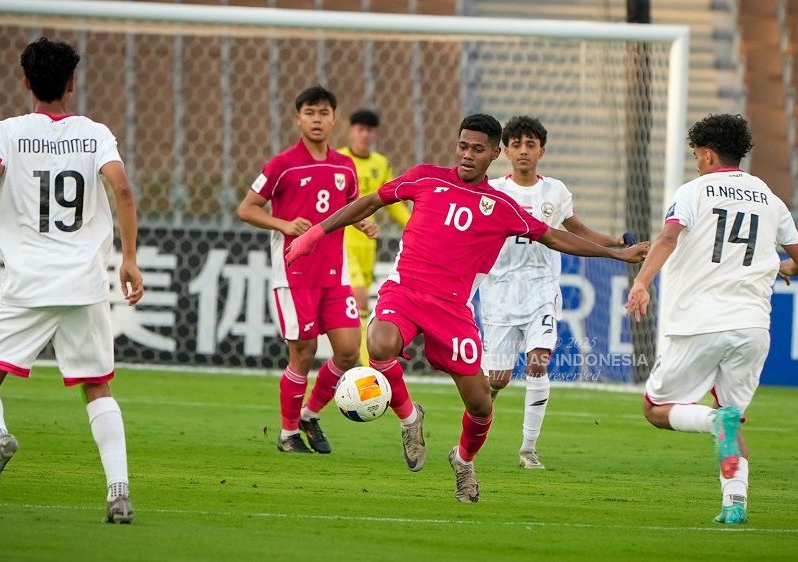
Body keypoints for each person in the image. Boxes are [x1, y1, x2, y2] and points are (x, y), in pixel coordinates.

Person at [287, 114, 649, 503]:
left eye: (477, 149)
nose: (467, 155)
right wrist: (315, 233)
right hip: (405, 292)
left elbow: (556, 238)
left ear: (494, 154)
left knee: (480, 403)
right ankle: (410, 418)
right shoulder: (426, 178)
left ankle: (463, 462)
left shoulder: (503, 207)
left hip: (452, 309)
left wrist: (616, 254)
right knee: (378, 344)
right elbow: (372, 200)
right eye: (463, 146)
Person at [0, 38, 143, 523]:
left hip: (29, 282)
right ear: (71, 83)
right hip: (84, 282)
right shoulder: (95, 134)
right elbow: (122, 188)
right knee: (97, 389)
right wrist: (129, 260)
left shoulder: (8, 132)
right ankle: (119, 492)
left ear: (26, 81)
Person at [625, 114, 798, 525]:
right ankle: (735, 504)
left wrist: (641, 282)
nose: (696, 163)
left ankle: (713, 422)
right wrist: (779, 268)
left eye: (696, 155)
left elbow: (668, 238)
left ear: (708, 155)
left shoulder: (693, 191)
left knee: (656, 409)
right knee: (732, 416)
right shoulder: (770, 197)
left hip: (699, 322)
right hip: (752, 327)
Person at [480, 116, 633, 470]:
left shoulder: (555, 191)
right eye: (516, 145)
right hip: (500, 292)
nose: (523, 151)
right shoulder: (492, 192)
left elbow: (577, 230)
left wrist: (614, 243)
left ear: (542, 151)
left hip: (542, 289)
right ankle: (473, 428)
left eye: (530, 145)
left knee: (538, 363)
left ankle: (528, 449)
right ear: (506, 152)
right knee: (496, 380)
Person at [238, 85, 377, 455]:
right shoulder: (282, 164)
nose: (317, 120)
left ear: (334, 119)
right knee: (303, 351)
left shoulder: (344, 165)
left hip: (335, 275)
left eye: (323, 113)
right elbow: (246, 208)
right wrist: (283, 224)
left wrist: (362, 222)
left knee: (348, 351)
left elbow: (348, 207)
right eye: (309, 113)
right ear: (297, 119)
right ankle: (287, 434)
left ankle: (309, 414)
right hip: (294, 276)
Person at [338, 109, 409, 366]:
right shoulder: (339, 160)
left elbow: (393, 203)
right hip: (343, 240)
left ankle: (355, 360)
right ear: (350, 131)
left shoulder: (381, 163)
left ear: (375, 134)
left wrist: (415, 225)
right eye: (360, 129)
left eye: (369, 130)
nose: (364, 135)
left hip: (368, 243)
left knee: (361, 304)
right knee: (357, 298)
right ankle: (365, 364)